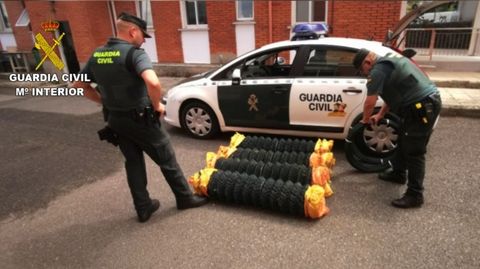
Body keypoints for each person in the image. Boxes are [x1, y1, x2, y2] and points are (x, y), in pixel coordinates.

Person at [73, 12, 208, 222]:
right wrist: (157, 105)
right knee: (166, 158)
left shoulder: (97, 54)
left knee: (133, 162)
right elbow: (153, 83)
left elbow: (79, 85)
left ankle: (143, 208)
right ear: (132, 31)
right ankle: (184, 198)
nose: (144, 40)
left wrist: (104, 102)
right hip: (141, 119)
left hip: (116, 120)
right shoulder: (134, 54)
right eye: (143, 35)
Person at [352, 48, 442, 208]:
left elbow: (370, 101)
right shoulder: (388, 61)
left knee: (414, 151)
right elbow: (394, 93)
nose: (364, 73)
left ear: (367, 62)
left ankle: (415, 195)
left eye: (362, 70)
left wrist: (365, 120)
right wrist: (380, 115)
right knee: (403, 138)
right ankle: (398, 173)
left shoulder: (378, 70)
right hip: (420, 103)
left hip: (421, 106)